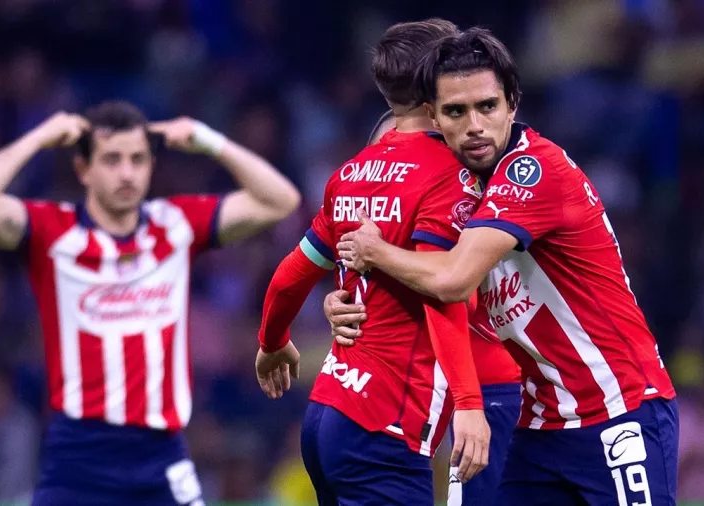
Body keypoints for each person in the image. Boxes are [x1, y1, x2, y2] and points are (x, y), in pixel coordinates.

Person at [337, 28, 679, 506]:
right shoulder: (455, 191)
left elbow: (452, 281)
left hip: (618, 409)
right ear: (434, 117)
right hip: (538, 424)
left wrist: (374, 253)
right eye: (457, 111)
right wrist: (352, 301)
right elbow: (431, 292)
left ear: (512, 104)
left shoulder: (533, 170)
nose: (475, 124)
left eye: (488, 106)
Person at [0, 101, 301, 506]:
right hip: (78, 457)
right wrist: (38, 139)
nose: (127, 173)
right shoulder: (54, 231)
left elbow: (280, 200)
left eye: (137, 159)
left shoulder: (176, 224)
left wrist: (208, 140)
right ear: (83, 170)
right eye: (111, 160)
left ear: (151, 165)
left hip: (160, 453)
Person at [254, 19, 489, 505]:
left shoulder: (349, 174)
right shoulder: (450, 176)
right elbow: (441, 292)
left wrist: (273, 342)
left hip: (328, 411)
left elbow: (288, 278)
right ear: (438, 87)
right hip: (383, 425)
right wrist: (468, 403)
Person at [325, 111, 522, 506]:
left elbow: (451, 292)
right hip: (415, 395)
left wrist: (380, 257)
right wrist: (339, 304)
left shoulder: (477, 209)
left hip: (487, 390)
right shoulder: (372, 224)